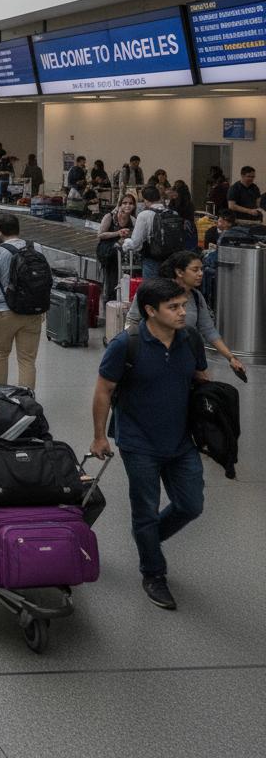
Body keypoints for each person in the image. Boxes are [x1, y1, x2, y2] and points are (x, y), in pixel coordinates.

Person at [91, 278, 210, 610]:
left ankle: (148, 538)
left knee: (191, 504)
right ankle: (153, 573)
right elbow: (103, 391)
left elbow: (201, 379)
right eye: (173, 307)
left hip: (181, 440)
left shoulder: (191, 339)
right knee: (144, 508)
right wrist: (99, 436)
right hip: (138, 441)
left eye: (183, 305)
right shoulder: (126, 345)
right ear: (150, 310)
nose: (182, 312)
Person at [123, 250, 247, 376]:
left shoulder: (197, 297)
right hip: (151, 356)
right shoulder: (152, 291)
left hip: (183, 358)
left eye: (201, 269)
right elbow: (132, 321)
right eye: (195, 270)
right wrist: (130, 349)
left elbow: (208, 329)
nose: (201, 274)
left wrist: (231, 357)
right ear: (179, 272)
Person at [0, 214, 46, 390]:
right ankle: (26, 399)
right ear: (18, 229)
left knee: (0, 355)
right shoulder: (36, 247)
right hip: (32, 311)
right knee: (27, 360)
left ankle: (1, 397)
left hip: (4, 311)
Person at [122, 185, 179, 279]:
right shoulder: (173, 213)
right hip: (171, 259)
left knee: (151, 286)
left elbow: (136, 243)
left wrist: (125, 243)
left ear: (146, 200)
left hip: (152, 259)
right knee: (168, 286)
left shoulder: (144, 215)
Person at [97, 194, 136, 300]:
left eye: (130, 203)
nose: (127, 206)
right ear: (120, 205)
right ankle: (110, 300)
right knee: (112, 279)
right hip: (108, 253)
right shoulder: (110, 217)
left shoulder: (133, 220)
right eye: (125, 203)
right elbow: (100, 235)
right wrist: (118, 233)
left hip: (124, 255)